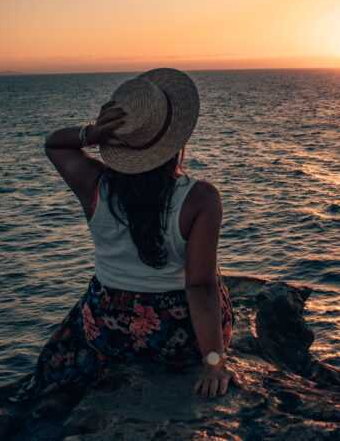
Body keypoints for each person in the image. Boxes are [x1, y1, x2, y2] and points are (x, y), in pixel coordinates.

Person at [14, 68, 234, 401]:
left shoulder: (94, 184)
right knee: (212, 277)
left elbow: (54, 145)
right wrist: (214, 363)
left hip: (107, 328)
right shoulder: (200, 198)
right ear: (177, 139)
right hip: (174, 336)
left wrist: (91, 133)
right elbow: (200, 287)